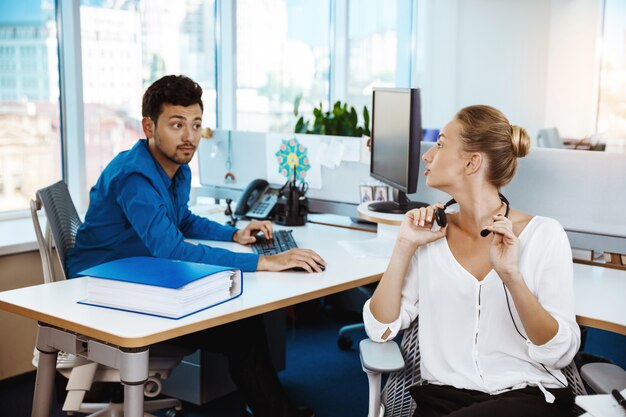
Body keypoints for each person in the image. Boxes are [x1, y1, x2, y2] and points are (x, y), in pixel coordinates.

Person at [66, 75, 322, 417]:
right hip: (104, 292)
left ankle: (268, 405)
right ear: (148, 126)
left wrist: (235, 234)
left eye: (196, 124)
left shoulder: (176, 167)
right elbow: (172, 250)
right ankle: (271, 408)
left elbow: (181, 219)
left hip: (137, 273)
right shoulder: (135, 177)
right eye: (177, 124)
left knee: (242, 320)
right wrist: (265, 262)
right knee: (241, 326)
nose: (190, 137)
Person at [364, 105, 580, 417]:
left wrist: (511, 277)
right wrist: (404, 245)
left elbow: (559, 352)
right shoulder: (429, 236)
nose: (427, 156)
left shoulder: (544, 235)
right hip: (440, 399)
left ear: (472, 161)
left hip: (526, 397)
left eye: (440, 144)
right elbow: (381, 330)